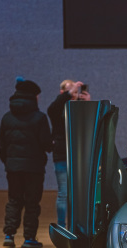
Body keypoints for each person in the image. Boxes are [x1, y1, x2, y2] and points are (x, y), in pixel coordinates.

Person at [0, 78, 52, 248]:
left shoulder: (7, 118)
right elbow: (47, 144)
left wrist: (10, 162)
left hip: (13, 168)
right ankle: (29, 238)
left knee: (14, 200)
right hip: (34, 168)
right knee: (32, 203)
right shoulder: (40, 118)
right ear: (34, 96)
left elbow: (0, 147)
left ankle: (9, 235)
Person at [47, 80, 89, 229]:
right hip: (62, 155)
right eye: (70, 91)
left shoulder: (79, 109)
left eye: (76, 91)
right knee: (63, 193)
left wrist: (87, 103)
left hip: (79, 156)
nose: (74, 94)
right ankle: (61, 226)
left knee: (79, 195)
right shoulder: (58, 109)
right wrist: (69, 94)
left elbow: (91, 123)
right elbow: (52, 109)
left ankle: (77, 226)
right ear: (62, 93)